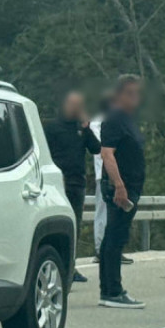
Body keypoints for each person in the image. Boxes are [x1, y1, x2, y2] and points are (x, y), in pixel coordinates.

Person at [98, 74, 146, 309]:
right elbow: (107, 154)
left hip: (131, 185)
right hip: (121, 188)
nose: (135, 98)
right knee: (115, 238)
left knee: (114, 236)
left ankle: (108, 289)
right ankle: (113, 291)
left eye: (137, 93)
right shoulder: (114, 118)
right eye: (130, 93)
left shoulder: (127, 119)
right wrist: (118, 185)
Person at [43, 91, 100, 283]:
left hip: (77, 183)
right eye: (73, 105)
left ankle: (71, 267)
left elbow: (96, 148)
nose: (76, 109)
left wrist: (86, 127)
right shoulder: (52, 128)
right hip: (57, 184)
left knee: (75, 226)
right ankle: (57, 267)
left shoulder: (81, 129)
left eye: (79, 105)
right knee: (58, 226)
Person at [90, 93, 133, 267]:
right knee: (103, 211)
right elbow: (103, 147)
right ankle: (100, 248)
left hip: (117, 173)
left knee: (116, 213)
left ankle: (114, 248)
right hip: (104, 174)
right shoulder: (98, 122)